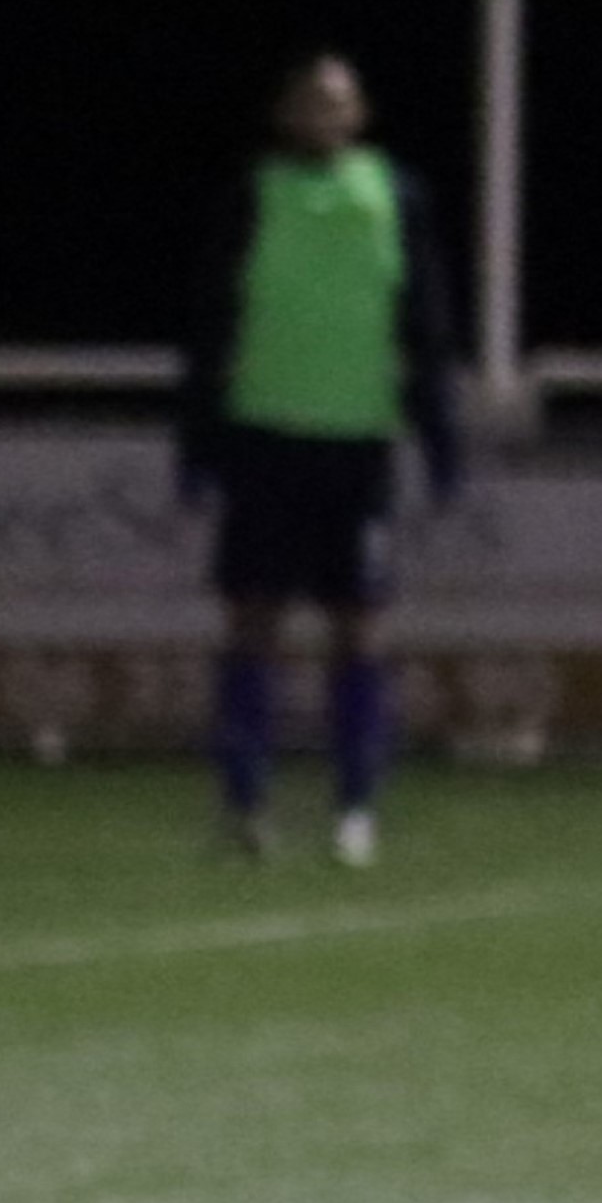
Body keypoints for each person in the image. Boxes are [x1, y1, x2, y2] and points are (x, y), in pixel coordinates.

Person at [177, 52, 467, 867]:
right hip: (264, 435)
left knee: (360, 626)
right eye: (309, 101)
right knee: (252, 621)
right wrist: (196, 442)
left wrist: (439, 436)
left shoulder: (395, 196)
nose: (322, 115)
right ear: (285, 114)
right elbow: (212, 321)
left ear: (359, 114)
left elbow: (426, 321)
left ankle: (356, 807)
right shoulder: (254, 194)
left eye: (336, 102)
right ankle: (245, 804)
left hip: (358, 444)